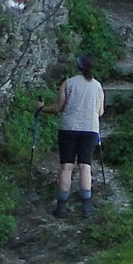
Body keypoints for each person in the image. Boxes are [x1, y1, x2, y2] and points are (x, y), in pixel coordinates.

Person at [40, 54, 106, 218]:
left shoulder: (68, 83)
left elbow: (58, 108)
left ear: (78, 66)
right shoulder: (97, 86)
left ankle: (61, 208)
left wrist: (42, 108)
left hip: (68, 128)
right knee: (85, 166)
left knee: (67, 167)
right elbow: (100, 112)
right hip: (90, 129)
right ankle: (87, 207)